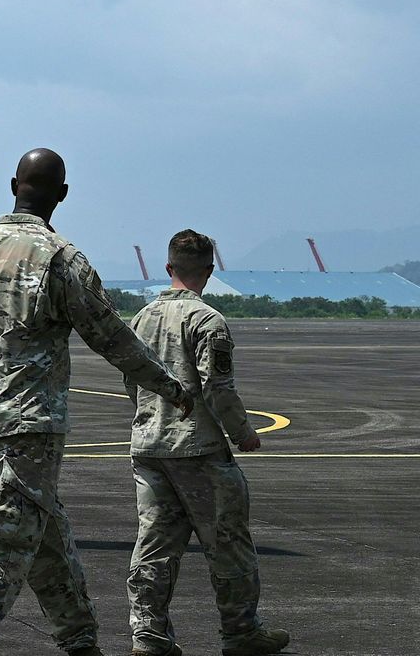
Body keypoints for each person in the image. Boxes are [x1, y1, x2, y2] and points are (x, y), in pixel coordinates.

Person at [0, 148, 195, 656]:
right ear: (64, 195)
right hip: (26, 423)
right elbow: (111, 336)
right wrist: (168, 385)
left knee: (43, 534)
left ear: (13, 185)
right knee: (5, 546)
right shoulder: (60, 259)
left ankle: (80, 639)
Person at [123, 230, 289, 656]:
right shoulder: (207, 320)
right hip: (198, 449)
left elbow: (132, 379)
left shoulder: (141, 319)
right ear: (210, 271)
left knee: (155, 544)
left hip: (149, 447)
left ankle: (149, 636)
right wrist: (242, 432)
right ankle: (241, 632)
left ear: (167, 268)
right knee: (229, 544)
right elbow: (217, 387)